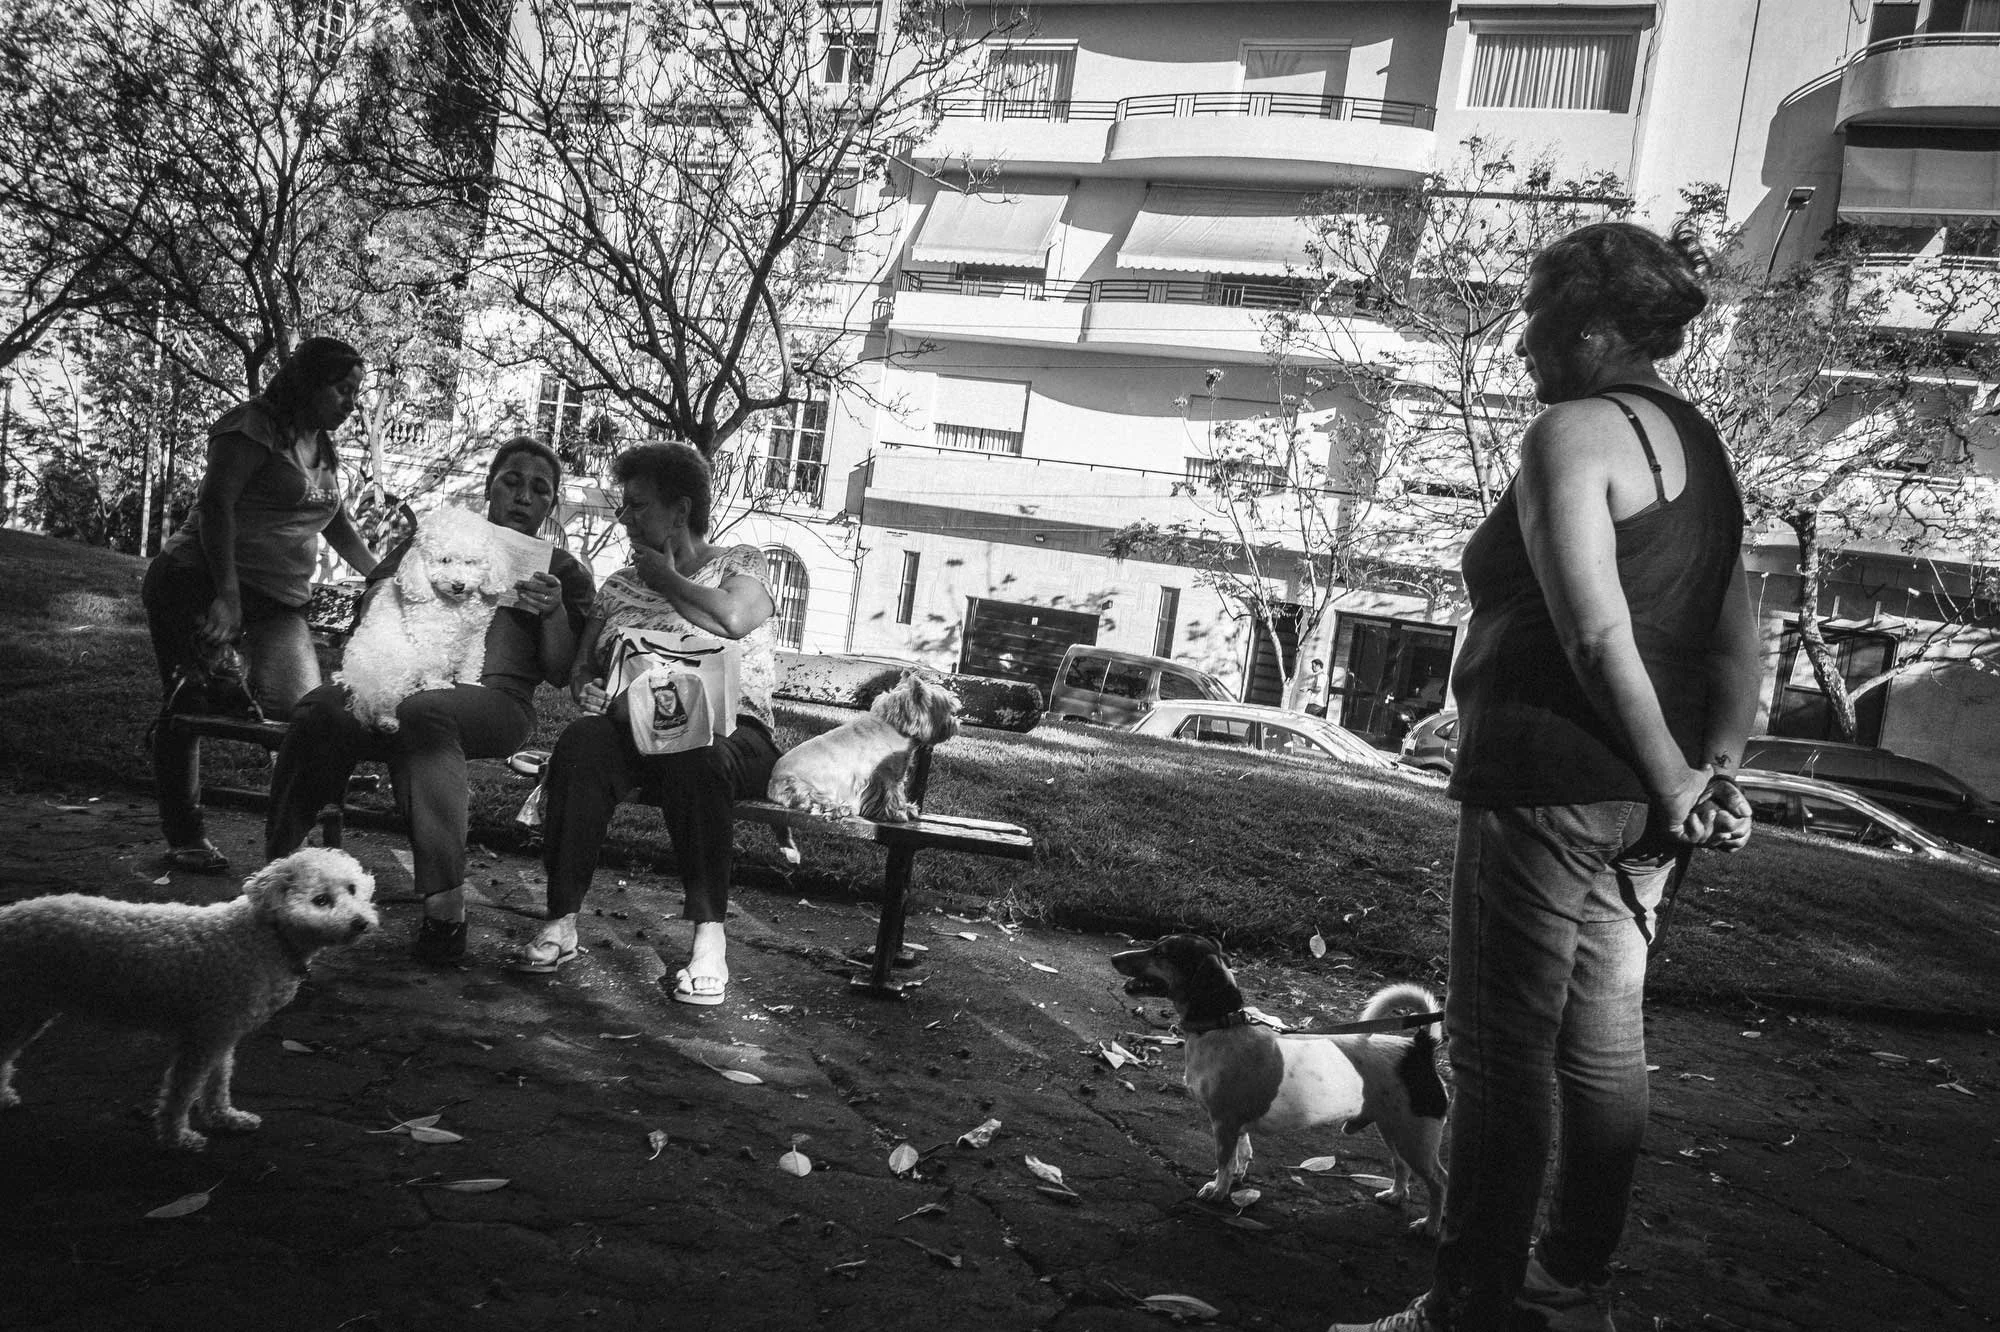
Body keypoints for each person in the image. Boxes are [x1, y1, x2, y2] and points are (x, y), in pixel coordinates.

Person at [1332, 223, 1762, 1332]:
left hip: (1544, 778)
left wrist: (1680, 781)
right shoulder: (1702, 449)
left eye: (1533, 319)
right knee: (1604, 1043)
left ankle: (1465, 1306)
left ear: (1593, 328)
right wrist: (1707, 774)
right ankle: (1568, 1280)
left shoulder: (1570, 432)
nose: (1519, 342)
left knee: (1498, 1051)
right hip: (1643, 799)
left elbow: (1592, 632)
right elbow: (1735, 638)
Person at [262, 437, 593, 963]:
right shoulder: (438, 534)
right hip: (405, 672)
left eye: (540, 489)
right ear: (490, 485)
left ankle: (445, 907)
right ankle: (279, 873)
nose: (524, 496)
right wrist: (399, 594)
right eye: (512, 481)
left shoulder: (563, 570)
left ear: (551, 504)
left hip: (496, 699)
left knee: (425, 713)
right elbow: (373, 597)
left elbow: (560, 672)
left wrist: (552, 613)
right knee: (322, 708)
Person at [517, 442, 781, 1007]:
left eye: (637, 505)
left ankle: (709, 936)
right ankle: (561, 919)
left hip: (731, 732)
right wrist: (588, 687)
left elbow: (735, 619)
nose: (625, 518)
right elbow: (583, 668)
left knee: (700, 755)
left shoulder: (741, 563)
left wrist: (666, 580)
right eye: (624, 506)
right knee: (582, 742)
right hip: (636, 728)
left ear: (680, 510)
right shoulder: (617, 585)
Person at [143, 337, 379, 874]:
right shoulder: (251, 426)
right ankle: (186, 835)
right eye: (343, 390)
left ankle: (297, 835)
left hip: (278, 600)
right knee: (189, 705)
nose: (351, 403)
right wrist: (226, 598)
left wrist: (382, 573)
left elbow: (336, 524)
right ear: (309, 383)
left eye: (355, 392)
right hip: (196, 582)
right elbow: (217, 507)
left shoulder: (321, 445)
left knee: (307, 712)